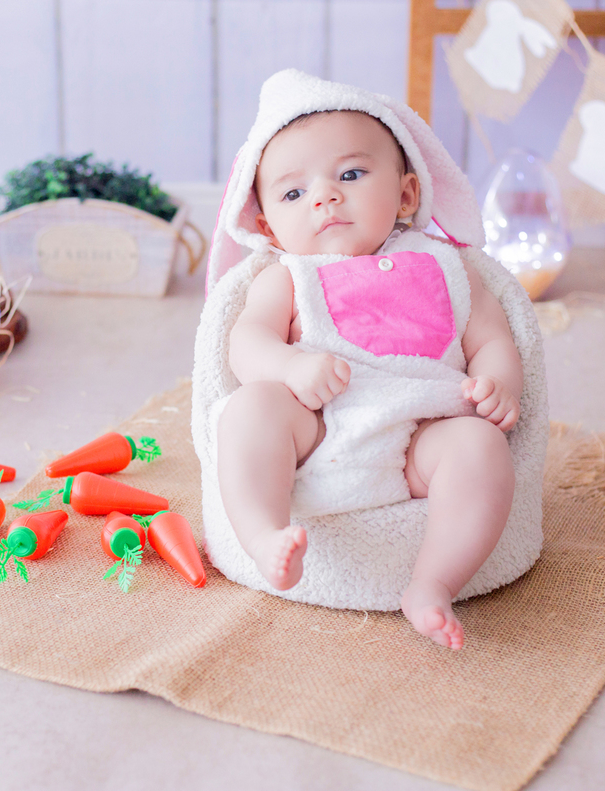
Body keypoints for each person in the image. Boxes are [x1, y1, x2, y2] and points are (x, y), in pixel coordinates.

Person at [215, 98, 523, 651]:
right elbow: (246, 342)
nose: (325, 197)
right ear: (269, 226)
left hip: (419, 443)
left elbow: (493, 336)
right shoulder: (287, 276)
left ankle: (432, 583)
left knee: (479, 447)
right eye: (293, 193)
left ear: (406, 194)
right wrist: (289, 365)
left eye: (351, 174)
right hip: (317, 431)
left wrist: (497, 383)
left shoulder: (446, 267)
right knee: (251, 410)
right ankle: (264, 535)